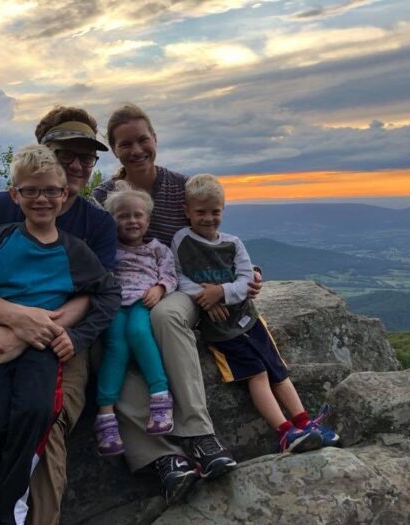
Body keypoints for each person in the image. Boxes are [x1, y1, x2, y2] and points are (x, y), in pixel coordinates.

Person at [0, 106, 117, 525]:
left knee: (46, 424)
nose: (77, 165)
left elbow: (97, 294)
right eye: (65, 153)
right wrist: (15, 321)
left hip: (58, 344)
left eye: (86, 157)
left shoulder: (96, 223)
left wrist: (33, 329)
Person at [93, 103, 255, 504]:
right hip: (124, 294)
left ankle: (200, 434)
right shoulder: (103, 196)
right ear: (114, 149)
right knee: (105, 344)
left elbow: (213, 238)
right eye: (125, 144)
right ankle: (165, 458)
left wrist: (239, 278)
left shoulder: (180, 186)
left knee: (165, 318)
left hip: (178, 288)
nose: (136, 150)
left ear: (155, 139)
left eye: (142, 139)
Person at [172, 174, 341, 452]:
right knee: (257, 374)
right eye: (200, 212)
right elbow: (179, 277)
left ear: (223, 210)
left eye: (215, 212)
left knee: (278, 371)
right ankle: (285, 432)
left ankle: (305, 422)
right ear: (187, 211)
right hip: (221, 331)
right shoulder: (181, 240)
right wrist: (204, 298)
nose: (208, 218)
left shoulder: (233, 243)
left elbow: (247, 280)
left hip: (249, 319)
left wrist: (221, 292)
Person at [95, 182, 177, 456]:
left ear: (148, 220)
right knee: (116, 346)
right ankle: (105, 414)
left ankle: (160, 395)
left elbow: (170, 275)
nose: (132, 221)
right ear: (113, 221)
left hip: (143, 301)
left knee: (138, 332)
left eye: (138, 215)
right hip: (116, 304)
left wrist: (160, 288)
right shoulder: (110, 250)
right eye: (123, 216)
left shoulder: (158, 249)